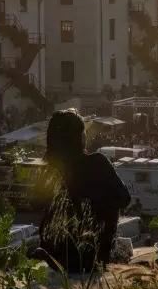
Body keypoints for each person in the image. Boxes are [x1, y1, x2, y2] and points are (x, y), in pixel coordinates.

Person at [37, 110, 131, 273]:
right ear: (80, 137)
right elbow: (124, 199)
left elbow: (39, 206)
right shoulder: (97, 163)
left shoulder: (48, 172)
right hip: (93, 255)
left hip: (57, 258)